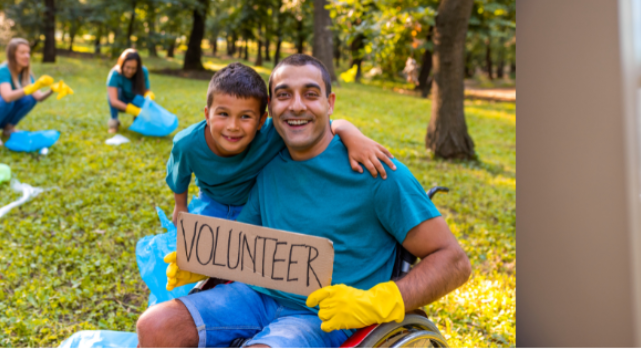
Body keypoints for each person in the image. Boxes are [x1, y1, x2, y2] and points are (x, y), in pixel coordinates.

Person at [136, 54, 472, 348]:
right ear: (271, 110)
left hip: (323, 317)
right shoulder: (267, 166)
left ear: (330, 103)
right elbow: (244, 237)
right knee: (154, 326)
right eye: (284, 95)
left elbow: (454, 261)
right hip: (255, 295)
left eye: (310, 94)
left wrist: (379, 301)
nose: (296, 105)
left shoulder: (376, 171)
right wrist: (204, 258)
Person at [166, 61, 395, 223]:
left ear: (261, 120)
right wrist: (180, 205)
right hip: (212, 204)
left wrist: (351, 133)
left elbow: (320, 124)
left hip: (257, 209)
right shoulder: (186, 144)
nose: (233, 126)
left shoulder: (274, 132)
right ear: (207, 114)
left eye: (245, 116)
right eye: (223, 114)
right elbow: (179, 176)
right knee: (195, 263)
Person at [0, 38, 55, 136]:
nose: (27, 56)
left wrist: (52, 89)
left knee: (30, 98)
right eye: (22, 53)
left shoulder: (25, 74)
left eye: (28, 53)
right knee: (9, 100)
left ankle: (9, 128)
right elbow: (7, 97)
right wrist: (30, 88)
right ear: (12, 55)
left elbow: (38, 97)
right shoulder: (3, 70)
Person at [106, 48, 153, 134]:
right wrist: (133, 110)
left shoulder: (143, 71)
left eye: (134, 68)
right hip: (121, 100)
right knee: (118, 91)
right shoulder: (115, 74)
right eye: (127, 67)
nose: (130, 71)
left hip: (135, 100)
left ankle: (138, 121)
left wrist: (149, 96)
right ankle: (114, 122)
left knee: (141, 97)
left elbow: (147, 91)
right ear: (122, 64)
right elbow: (113, 101)